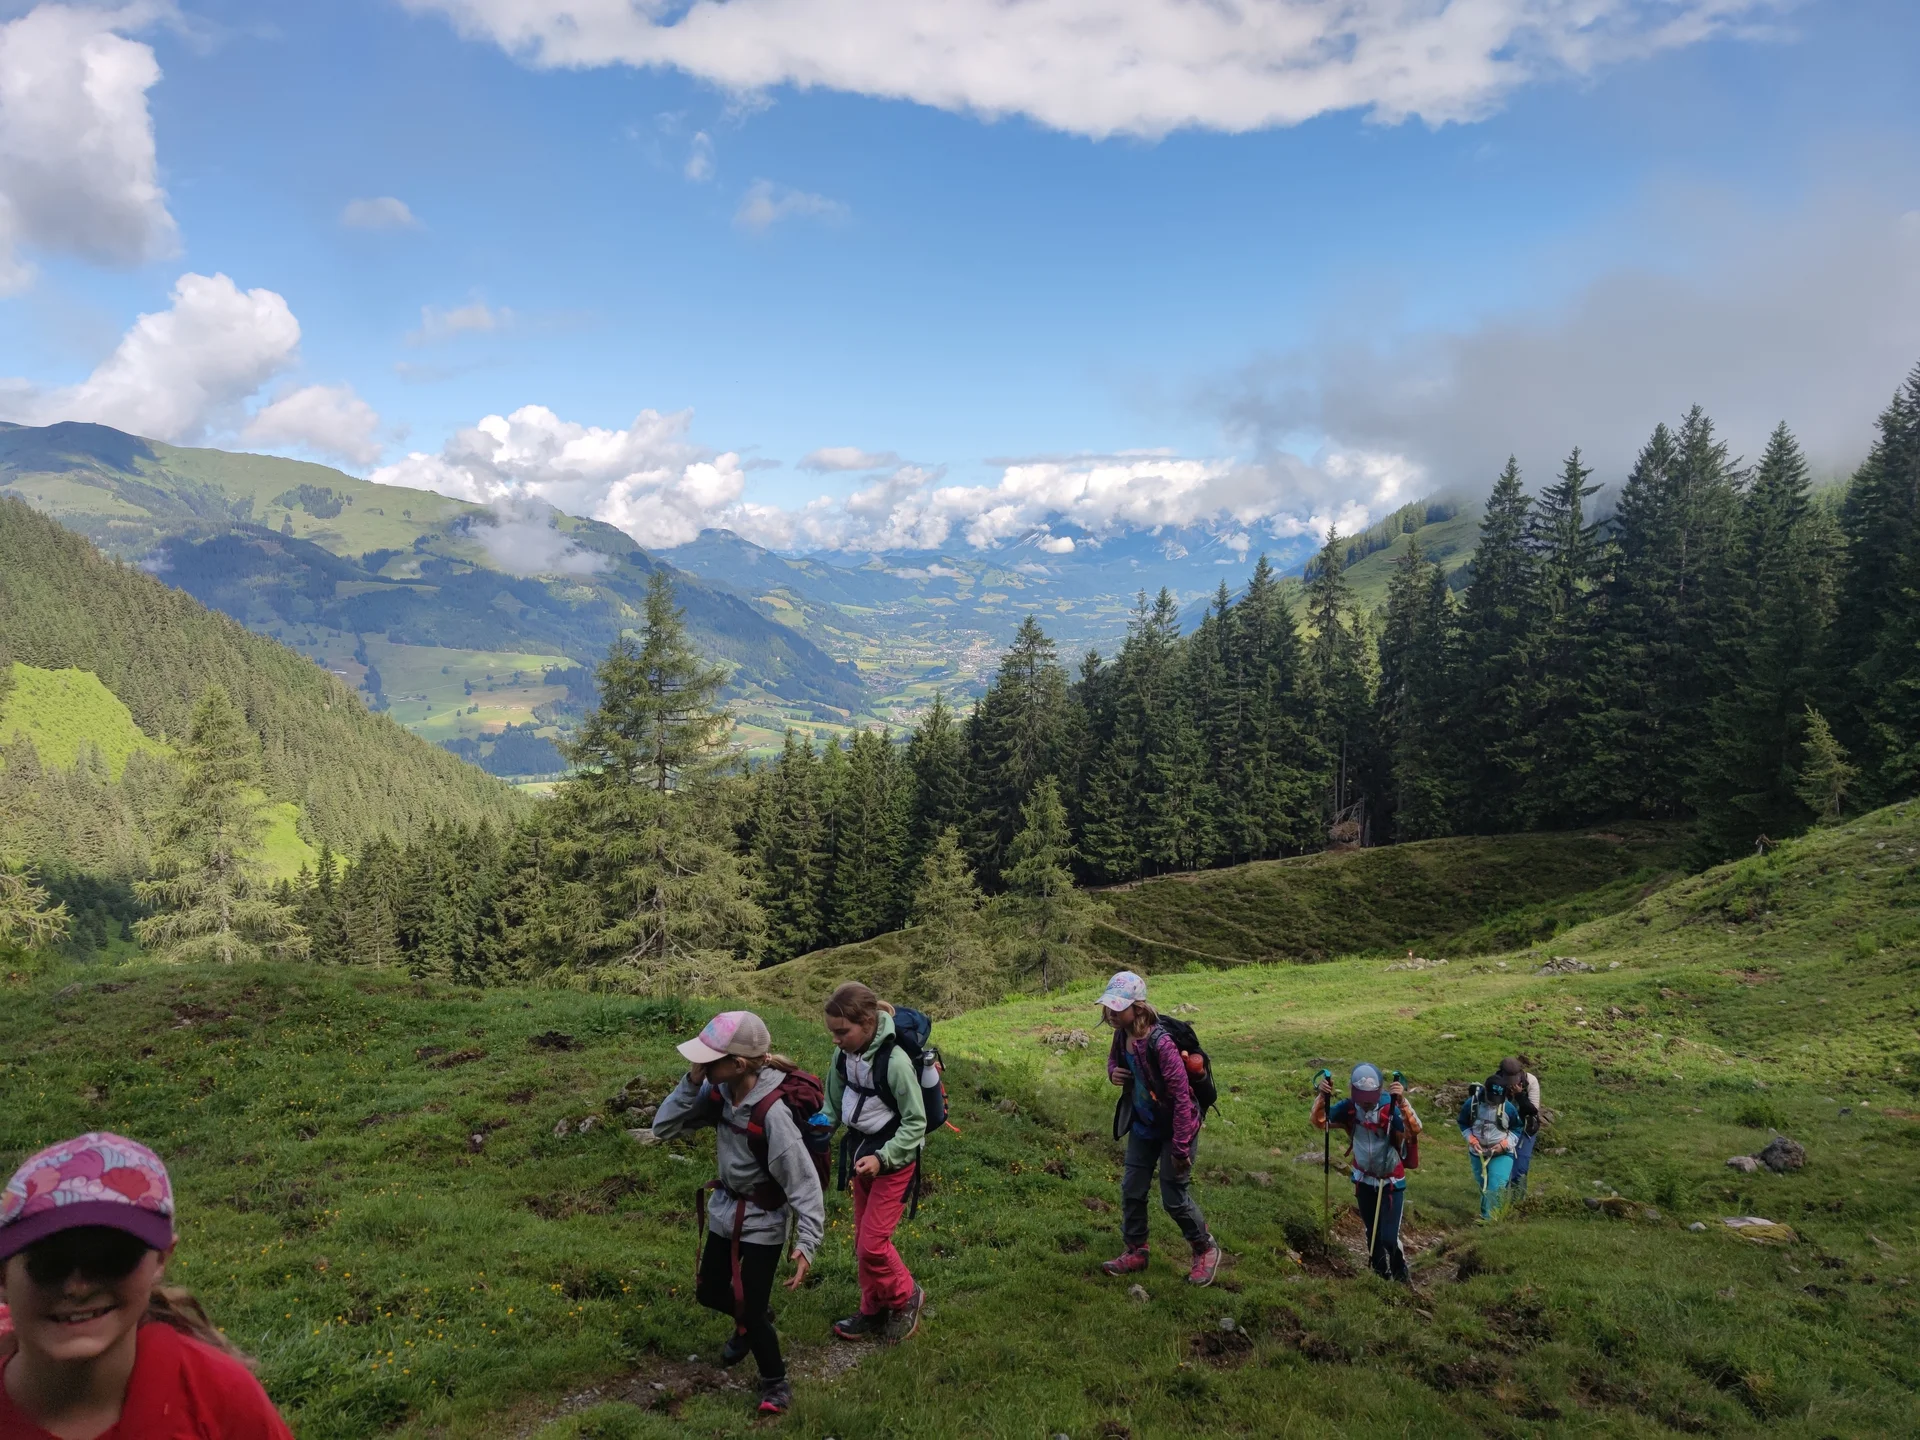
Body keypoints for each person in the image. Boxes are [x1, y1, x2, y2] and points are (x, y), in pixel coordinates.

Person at [0, 1131, 295, 1439]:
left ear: (161, 1260)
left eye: (114, 1258)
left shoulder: (219, 1397)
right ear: (3, 1274)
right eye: (50, 1263)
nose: (79, 1287)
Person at [652, 1011, 825, 1418]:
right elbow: (663, 1127)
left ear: (739, 1064)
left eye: (708, 1061)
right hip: (726, 1211)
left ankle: (775, 1381)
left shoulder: (772, 1114)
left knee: (749, 1306)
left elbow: (804, 1183)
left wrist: (807, 1244)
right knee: (709, 1291)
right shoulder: (717, 1091)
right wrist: (691, 1081)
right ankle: (753, 1318)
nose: (699, 1066)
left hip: (764, 1221)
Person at [1096, 971, 1221, 1286]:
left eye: (1118, 1007)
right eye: (1108, 1006)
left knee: (1174, 1197)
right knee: (1132, 1189)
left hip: (1178, 1128)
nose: (1111, 1013)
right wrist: (1113, 1073)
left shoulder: (1161, 1043)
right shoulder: (1121, 1034)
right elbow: (1115, 1061)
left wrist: (1180, 1148)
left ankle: (1205, 1249)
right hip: (1143, 1125)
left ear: (1138, 1007)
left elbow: (1181, 1097)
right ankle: (1136, 1250)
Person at [821, 982, 927, 1345]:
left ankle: (906, 1296)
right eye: (832, 1032)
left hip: (894, 1163)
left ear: (867, 1023)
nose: (836, 1039)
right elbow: (832, 1105)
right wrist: (816, 1130)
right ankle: (872, 1307)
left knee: (872, 1244)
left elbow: (916, 1121)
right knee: (862, 1242)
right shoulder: (842, 1056)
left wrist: (884, 1159)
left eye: (842, 1032)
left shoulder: (895, 1063)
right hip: (860, 1157)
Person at [1311, 1063, 1423, 1282]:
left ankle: (1401, 1275)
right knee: (1372, 1232)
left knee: (1388, 1238)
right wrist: (1323, 1097)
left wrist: (1402, 1102)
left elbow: (1414, 1129)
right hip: (1363, 1180)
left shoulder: (1390, 1107)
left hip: (1391, 1181)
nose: (1365, 1102)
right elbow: (1320, 1121)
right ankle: (1380, 1277)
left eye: (1370, 1097)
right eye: (1361, 1097)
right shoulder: (1349, 1108)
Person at [1458, 1072, 1523, 1221]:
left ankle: (1491, 1220)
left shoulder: (1508, 1108)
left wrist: (1504, 1145)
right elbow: (1463, 1123)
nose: (1494, 1103)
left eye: (1497, 1100)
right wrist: (1472, 1140)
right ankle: (1485, 1216)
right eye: (1491, 1099)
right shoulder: (1471, 1104)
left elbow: (1517, 1129)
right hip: (1478, 1153)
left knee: (1496, 1185)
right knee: (1484, 1185)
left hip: (1502, 1153)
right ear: (1485, 1091)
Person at [1498, 1057, 1543, 1199]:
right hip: (1502, 1129)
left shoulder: (1531, 1081)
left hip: (1526, 1129)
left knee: (1520, 1167)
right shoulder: (1495, 1082)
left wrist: (1519, 1095)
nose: (1512, 1083)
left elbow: (1533, 1110)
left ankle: (1518, 1201)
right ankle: (1499, 1199)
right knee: (1502, 1164)